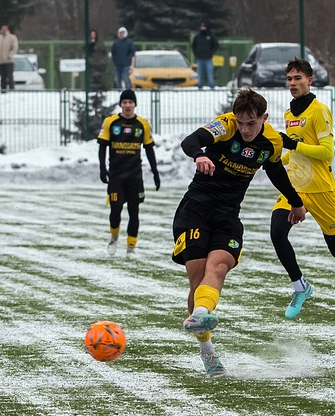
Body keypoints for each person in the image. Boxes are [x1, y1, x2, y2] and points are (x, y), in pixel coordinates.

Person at [172, 87, 306, 377]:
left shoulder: (272, 141)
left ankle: (200, 315)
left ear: (264, 118)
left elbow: (275, 172)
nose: (245, 129)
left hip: (228, 216)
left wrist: (296, 202)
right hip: (195, 210)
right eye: (241, 122)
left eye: (251, 123)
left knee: (218, 267)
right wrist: (199, 155)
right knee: (198, 278)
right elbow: (190, 141)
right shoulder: (225, 126)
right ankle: (207, 350)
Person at [271, 58, 335, 328]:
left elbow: (326, 152)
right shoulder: (289, 114)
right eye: (289, 79)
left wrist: (292, 145)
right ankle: (301, 286)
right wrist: (275, 159)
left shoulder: (319, 111)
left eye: (298, 78)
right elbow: (296, 154)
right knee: (277, 233)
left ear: (309, 80)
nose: (292, 83)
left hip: (321, 190)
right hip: (295, 188)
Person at [97, 89, 160, 260]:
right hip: (116, 176)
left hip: (135, 177)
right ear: (120, 104)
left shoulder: (142, 124)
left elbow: (149, 149)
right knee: (115, 210)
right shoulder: (110, 122)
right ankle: (114, 237)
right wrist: (102, 168)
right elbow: (102, 146)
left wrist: (155, 173)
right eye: (124, 102)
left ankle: (131, 248)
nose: (127, 105)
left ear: (135, 104)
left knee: (134, 211)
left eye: (130, 102)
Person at [191, 21, 219, 89]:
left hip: (208, 58)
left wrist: (211, 52)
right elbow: (193, 46)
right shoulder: (197, 36)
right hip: (200, 58)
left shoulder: (211, 36)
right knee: (200, 74)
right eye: (202, 27)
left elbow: (216, 45)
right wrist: (196, 54)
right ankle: (200, 86)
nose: (203, 28)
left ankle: (212, 86)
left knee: (210, 74)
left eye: (204, 27)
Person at [0, 24, 19, 90]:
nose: (3, 30)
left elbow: (15, 47)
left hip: (8, 62)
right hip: (0, 62)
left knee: (10, 77)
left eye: (5, 28)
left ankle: (12, 91)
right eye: (2, 29)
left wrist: (10, 55)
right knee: (2, 78)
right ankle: (3, 91)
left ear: (7, 29)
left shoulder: (12, 38)